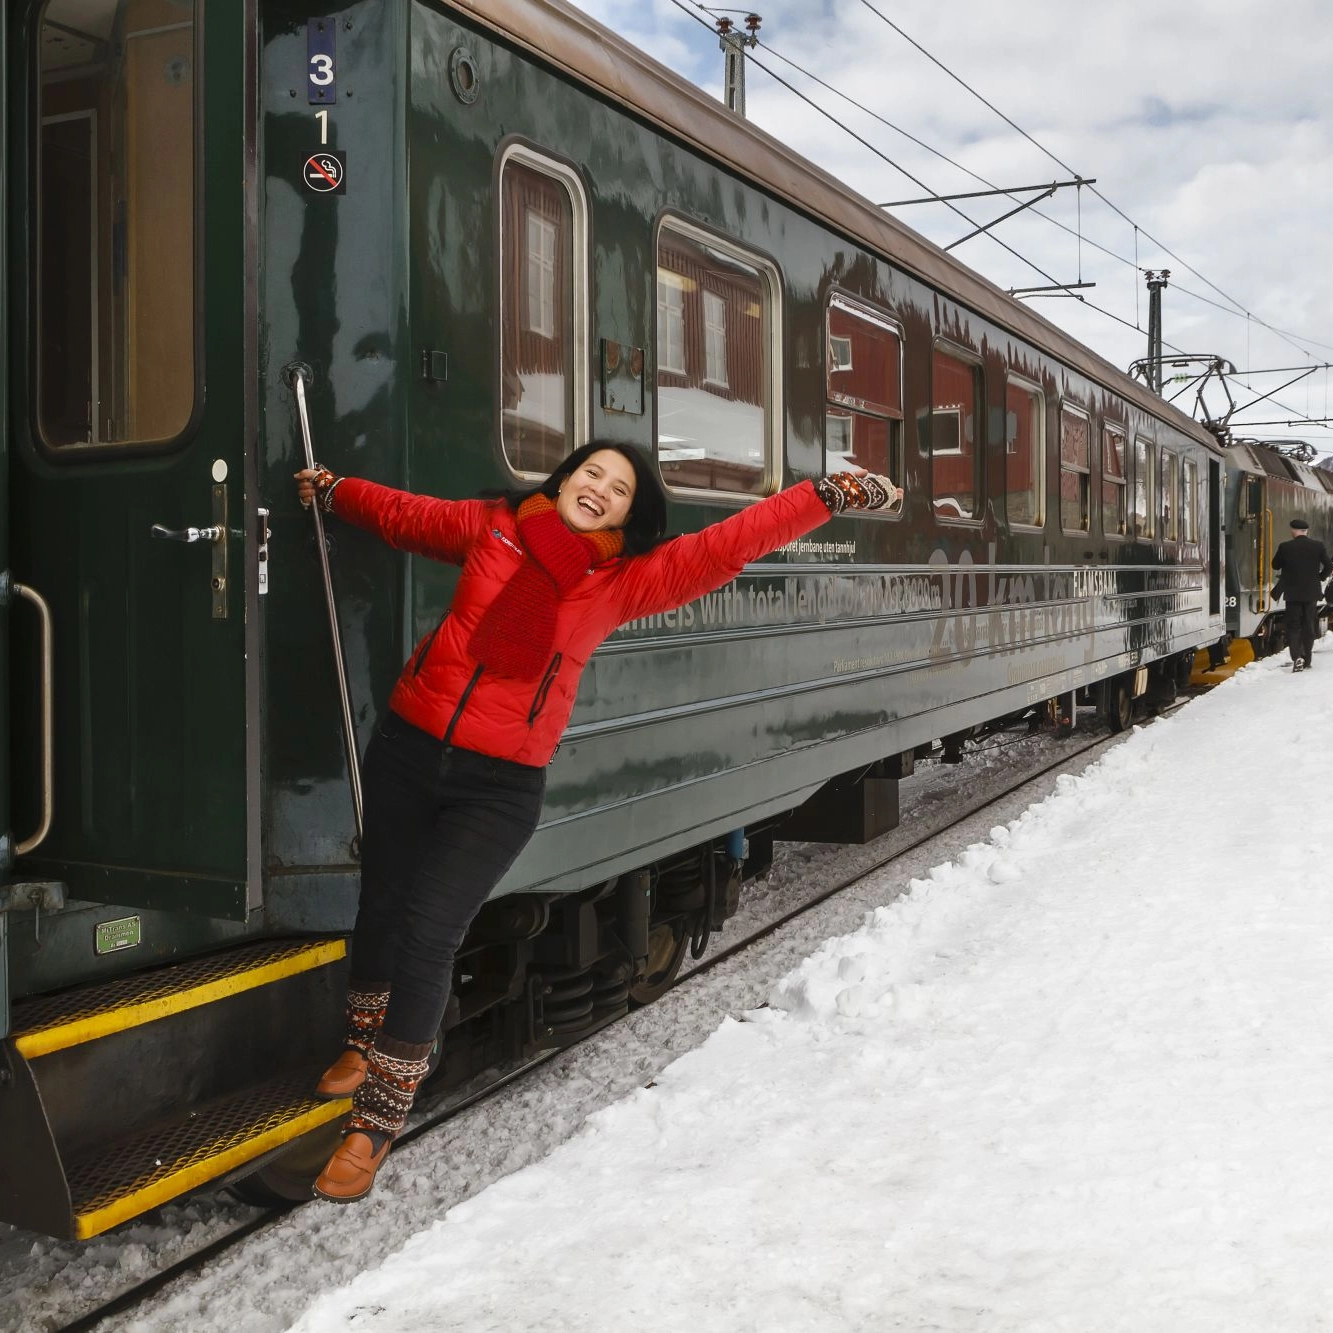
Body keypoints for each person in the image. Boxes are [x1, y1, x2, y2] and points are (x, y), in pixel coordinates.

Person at [294, 441, 902, 1202]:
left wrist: (825, 493)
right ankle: (360, 1043)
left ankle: (376, 1120)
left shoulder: (621, 582)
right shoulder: (495, 527)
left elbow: (726, 546)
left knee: (427, 928)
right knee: (380, 902)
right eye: (592, 474)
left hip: (500, 783)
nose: (599, 490)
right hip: (408, 751)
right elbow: (404, 515)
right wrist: (338, 487)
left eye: (617, 489)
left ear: (628, 512)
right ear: (566, 477)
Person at [1271, 516, 1332, 672]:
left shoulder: (1285, 547)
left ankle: (1297, 657)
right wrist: (1320, 577)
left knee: (1293, 626)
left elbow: (1275, 565)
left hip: (1292, 593)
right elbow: (1329, 566)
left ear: (1293, 530)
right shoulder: (1317, 546)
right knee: (1308, 624)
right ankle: (1307, 659)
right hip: (1311, 592)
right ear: (1306, 531)